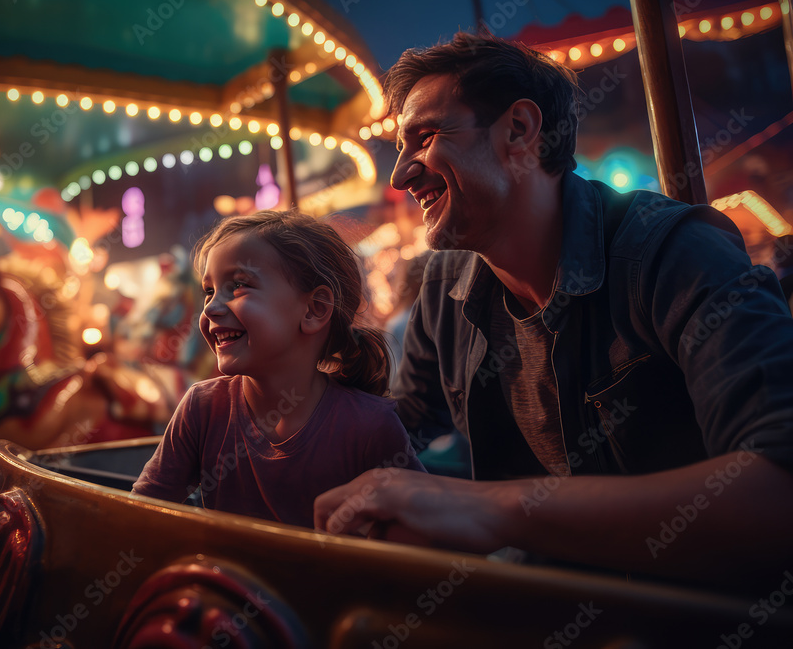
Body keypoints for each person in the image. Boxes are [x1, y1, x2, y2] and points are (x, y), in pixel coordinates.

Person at [313, 32, 793, 589]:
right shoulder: (444, 290)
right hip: (542, 611)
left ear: (519, 130)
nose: (400, 174)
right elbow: (388, 435)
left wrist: (491, 509)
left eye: (424, 137)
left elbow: (778, 492)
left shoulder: (672, 253)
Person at [133, 210, 425, 528]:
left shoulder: (370, 426)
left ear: (315, 309)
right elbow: (139, 518)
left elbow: (418, 539)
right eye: (209, 291)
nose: (211, 307)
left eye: (239, 286)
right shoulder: (202, 408)